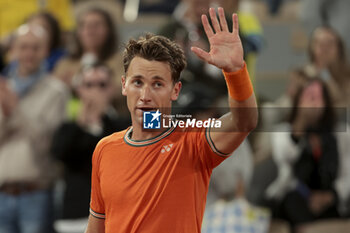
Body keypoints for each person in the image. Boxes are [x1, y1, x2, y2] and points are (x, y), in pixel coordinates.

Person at [85, 7, 258, 233]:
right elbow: (96, 227)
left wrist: (236, 72)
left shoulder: (193, 140)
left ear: (175, 90)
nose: (145, 96)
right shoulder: (104, 149)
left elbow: (243, 122)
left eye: (157, 84)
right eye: (138, 82)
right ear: (124, 85)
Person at [0, 24, 69, 233]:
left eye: (35, 47)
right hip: (2, 194)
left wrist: (15, 111)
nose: (28, 53)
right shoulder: (4, 88)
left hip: (36, 193)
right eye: (23, 47)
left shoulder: (56, 91)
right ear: (13, 50)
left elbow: (48, 145)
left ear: (46, 51)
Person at [51, 64, 128, 232]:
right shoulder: (69, 128)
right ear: (79, 90)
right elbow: (59, 154)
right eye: (89, 85)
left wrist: (100, 120)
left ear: (113, 89)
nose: (95, 91)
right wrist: (81, 124)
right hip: (75, 215)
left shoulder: (124, 126)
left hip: (115, 215)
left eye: (101, 85)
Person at [265, 79, 350, 230]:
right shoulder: (283, 132)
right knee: (290, 203)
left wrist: (329, 197)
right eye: (308, 96)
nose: (313, 101)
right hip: (298, 197)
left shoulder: (341, 134)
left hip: (332, 199)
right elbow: (285, 159)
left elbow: (347, 174)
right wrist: (301, 122)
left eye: (317, 97)